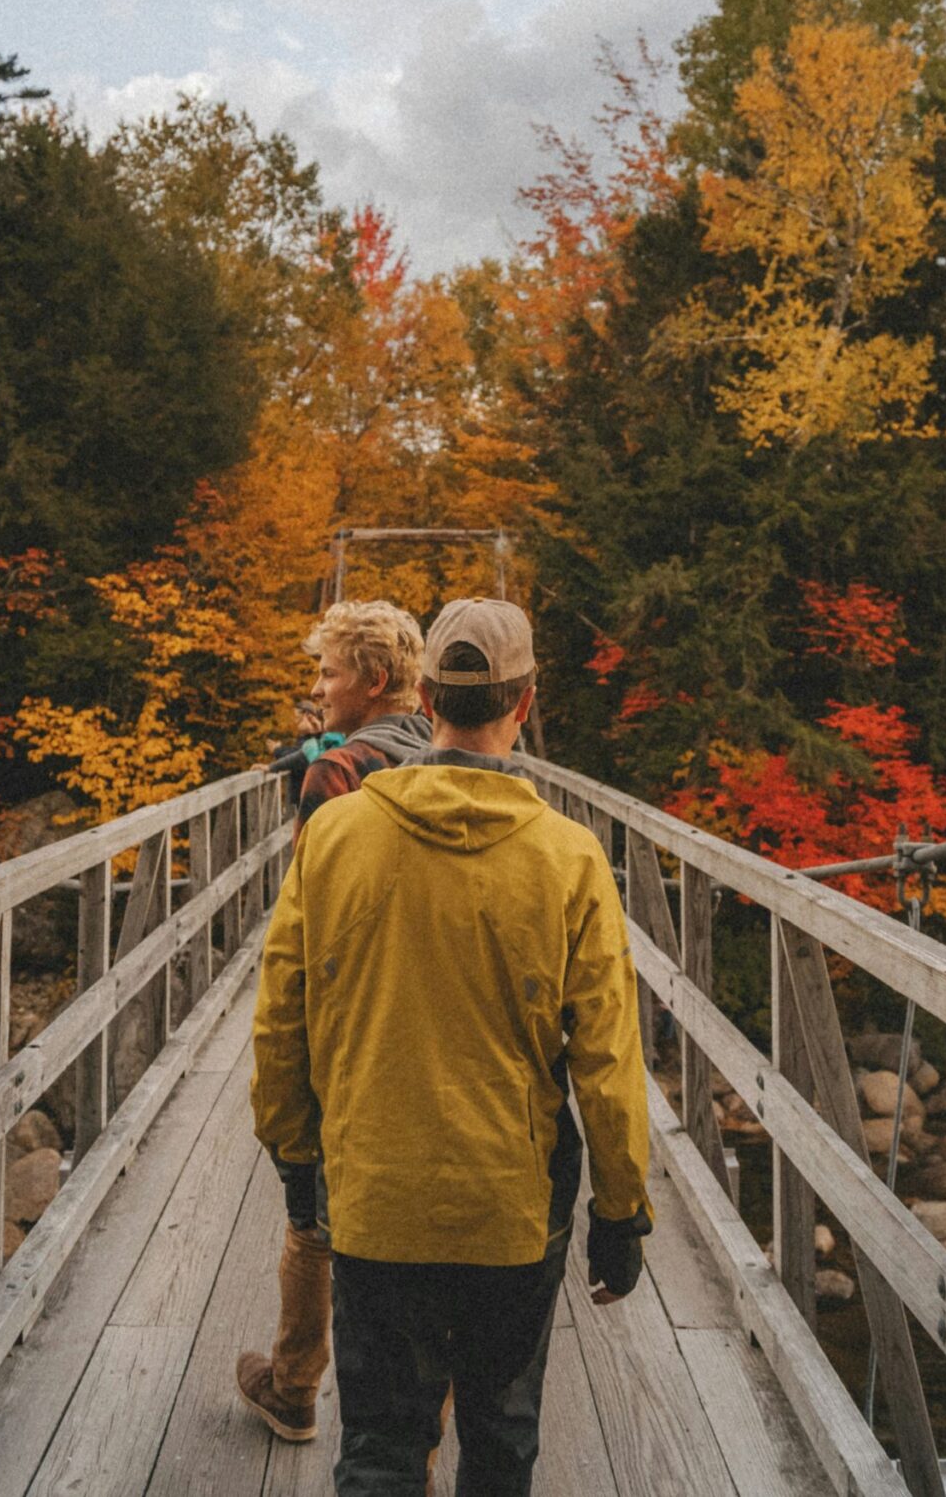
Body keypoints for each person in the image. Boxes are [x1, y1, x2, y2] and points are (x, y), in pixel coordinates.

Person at [251, 598, 652, 1494]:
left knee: (382, 1450)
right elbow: (608, 1057)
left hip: (374, 1195)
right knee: (501, 1440)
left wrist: (293, 1155)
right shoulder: (571, 856)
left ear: (424, 695)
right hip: (512, 1207)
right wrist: (620, 1209)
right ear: (527, 698)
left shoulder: (336, 834)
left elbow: (282, 1013)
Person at [237, 599, 433, 1443]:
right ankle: (420, 1412)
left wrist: (283, 1093)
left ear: (374, 682)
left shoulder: (334, 774)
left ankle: (293, 1386)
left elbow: (306, 928)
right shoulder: (460, 752)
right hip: (433, 1014)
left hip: (349, 1020)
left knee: (312, 1216)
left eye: (327, 673)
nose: (317, 689)